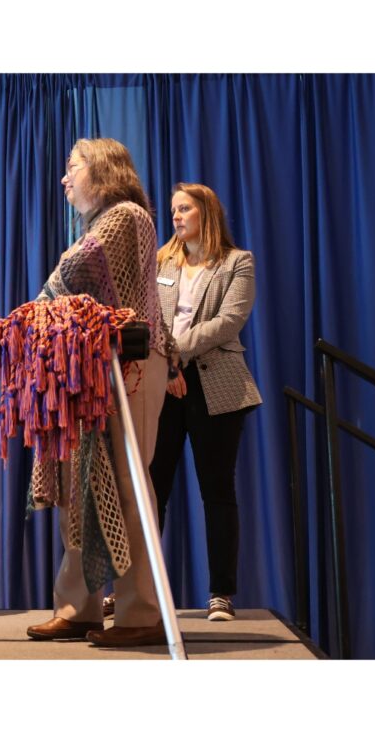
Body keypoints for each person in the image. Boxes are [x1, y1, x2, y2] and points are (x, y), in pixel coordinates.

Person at [24, 138, 175, 648]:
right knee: (77, 488)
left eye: (72, 168)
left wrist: (34, 306)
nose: (64, 179)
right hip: (93, 367)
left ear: (103, 170)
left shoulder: (124, 215)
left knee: (128, 488)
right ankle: (78, 608)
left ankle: (141, 613)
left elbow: (75, 268)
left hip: (126, 365)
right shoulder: (101, 222)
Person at [148, 182, 262, 621]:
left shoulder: (238, 262)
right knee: (153, 489)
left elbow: (230, 320)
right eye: (174, 210)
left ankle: (221, 595)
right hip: (164, 380)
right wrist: (168, 365)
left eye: (185, 210)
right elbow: (147, 316)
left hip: (217, 383)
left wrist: (176, 351)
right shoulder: (160, 261)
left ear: (206, 214)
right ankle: (141, 590)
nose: (176, 217)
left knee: (217, 490)